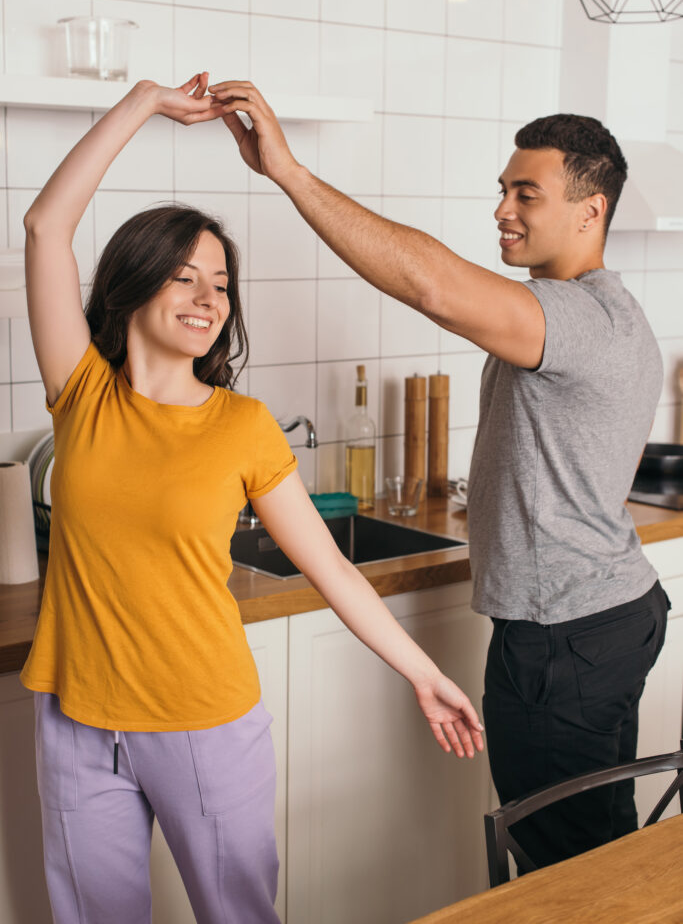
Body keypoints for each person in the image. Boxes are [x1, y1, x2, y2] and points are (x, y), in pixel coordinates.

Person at [20, 73, 484, 924]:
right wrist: (145, 102)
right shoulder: (81, 393)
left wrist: (423, 675)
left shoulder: (242, 426)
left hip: (203, 722)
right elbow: (46, 225)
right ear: (133, 283)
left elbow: (333, 571)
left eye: (221, 284)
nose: (208, 299)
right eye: (186, 278)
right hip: (78, 720)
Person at [209, 79, 670, 868]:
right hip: (605, 616)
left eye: (526, 193)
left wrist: (288, 172)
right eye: (502, 189)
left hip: (561, 636)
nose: (502, 209)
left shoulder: (577, 319)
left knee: (562, 867)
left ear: (589, 211)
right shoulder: (594, 313)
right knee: (595, 850)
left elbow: (429, 282)